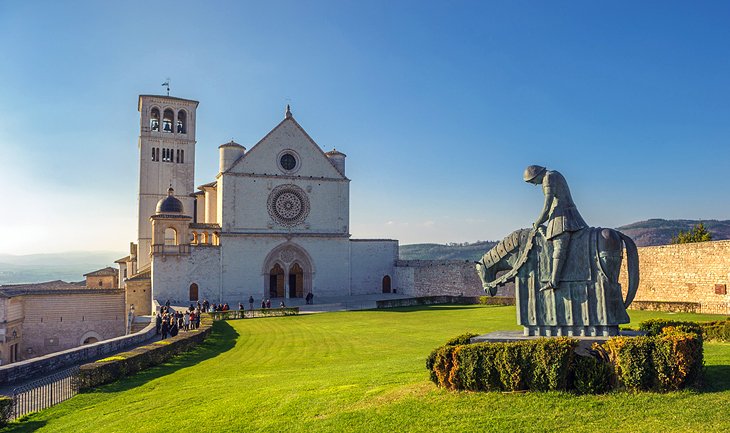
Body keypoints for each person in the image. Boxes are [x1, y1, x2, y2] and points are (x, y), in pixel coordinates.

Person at [523, 165, 588, 291]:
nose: (534, 184)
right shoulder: (552, 175)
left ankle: (554, 281)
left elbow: (547, 205)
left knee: (559, 246)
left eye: (532, 181)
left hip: (563, 215)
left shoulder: (549, 177)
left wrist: (538, 222)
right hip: (558, 213)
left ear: (536, 175)